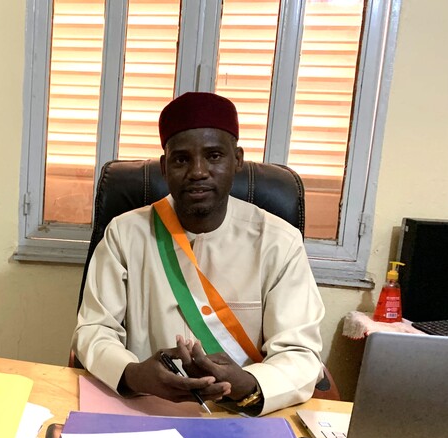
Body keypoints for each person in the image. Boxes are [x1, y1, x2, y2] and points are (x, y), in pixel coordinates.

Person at [72, 92, 325, 416]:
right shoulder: (125, 234)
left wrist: (248, 383)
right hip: (145, 408)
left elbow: (301, 353)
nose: (198, 171)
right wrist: (134, 374)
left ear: (237, 160)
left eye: (214, 156)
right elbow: (94, 330)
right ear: (165, 167)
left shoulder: (278, 242)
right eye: (181, 159)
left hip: (241, 413)